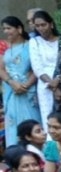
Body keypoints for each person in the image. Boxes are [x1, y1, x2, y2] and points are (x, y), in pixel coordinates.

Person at [0, 17, 41, 149]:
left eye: (9, 28)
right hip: (12, 93)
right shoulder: (7, 49)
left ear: (19, 29)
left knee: (31, 121)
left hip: (28, 92)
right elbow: (1, 69)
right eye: (4, 29)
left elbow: (38, 67)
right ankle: (16, 155)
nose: (6, 31)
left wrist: (27, 85)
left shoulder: (31, 45)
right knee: (12, 123)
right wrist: (11, 82)